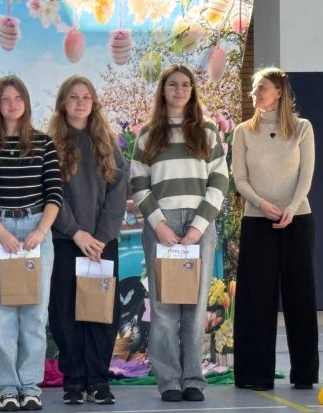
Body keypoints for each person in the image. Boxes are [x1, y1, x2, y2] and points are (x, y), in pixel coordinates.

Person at [130, 64, 228, 402]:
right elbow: (138, 182)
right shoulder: (148, 133)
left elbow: (220, 180)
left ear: (192, 91)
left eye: (186, 84)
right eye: (173, 84)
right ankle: (169, 380)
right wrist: (159, 223)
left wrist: (198, 226)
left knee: (196, 306)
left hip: (199, 223)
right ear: (163, 90)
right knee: (163, 306)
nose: (180, 90)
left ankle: (193, 379)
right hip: (162, 224)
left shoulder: (208, 130)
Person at [0, 75, 62, 411]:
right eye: (5, 99)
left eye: (18, 98)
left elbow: (54, 193)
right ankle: (7, 388)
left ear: (26, 102)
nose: (12, 104)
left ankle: (30, 387)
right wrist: (1, 232)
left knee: (34, 315)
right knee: (0, 316)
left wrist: (39, 231)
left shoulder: (43, 143)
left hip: (36, 229)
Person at [232, 67, 318, 390]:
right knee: (256, 298)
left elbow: (306, 175)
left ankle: (305, 374)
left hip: (297, 219)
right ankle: (254, 375)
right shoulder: (242, 131)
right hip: (257, 221)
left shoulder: (302, 128)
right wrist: (261, 204)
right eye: (254, 89)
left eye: (262, 88)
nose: (255, 94)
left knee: (300, 296)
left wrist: (291, 209)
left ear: (279, 92)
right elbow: (240, 178)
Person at [47, 75, 127, 405]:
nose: (80, 103)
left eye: (86, 97)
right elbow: (51, 193)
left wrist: (101, 237)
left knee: (100, 313)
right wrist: (75, 232)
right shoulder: (50, 145)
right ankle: (74, 381)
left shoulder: (108, 143)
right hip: (65, 241)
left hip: (101, 245)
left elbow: (118, 194)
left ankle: (97, 380)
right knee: (65, 314)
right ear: (63, 103)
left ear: (94, 104)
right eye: (73, 97)